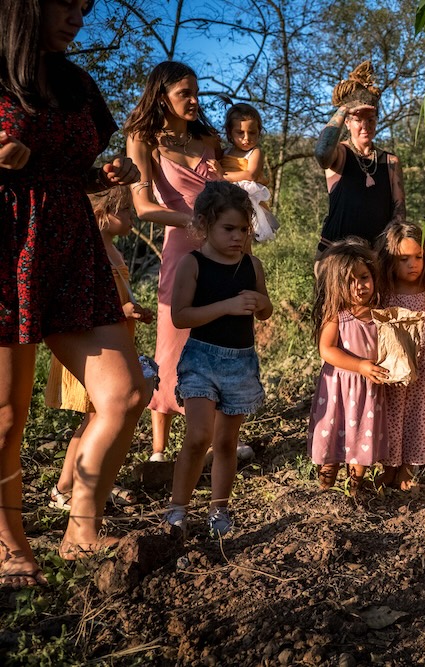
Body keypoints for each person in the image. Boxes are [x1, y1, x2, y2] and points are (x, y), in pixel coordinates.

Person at [1, 0, 147, 584]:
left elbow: (67, 165)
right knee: (8, 416)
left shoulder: (74, 82)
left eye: (85, 8)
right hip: (6, 244)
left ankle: (80, 532)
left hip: (68, 244)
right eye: (65, 4)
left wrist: (102, 177)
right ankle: (8, 539)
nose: (78, 17)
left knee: (126, 394)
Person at [124, 61, 231, 463]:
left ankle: (217, 437)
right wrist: (192, 220)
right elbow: (143, 206)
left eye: (195, 92)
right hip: (180, 246)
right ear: (161, 95)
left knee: (218, 339)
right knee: (172, 340)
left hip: (222, 250)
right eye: (184, 92)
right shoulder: (143, 139)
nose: (194, 99)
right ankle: (158, 450)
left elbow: (240, 180)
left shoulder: (208, 138)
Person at [162, 182, 272, 537]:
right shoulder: (192, 265)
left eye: (243, 229)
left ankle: (218, 512)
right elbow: (181, 316)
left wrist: (259, 303)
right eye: (229, 228)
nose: (238, 236)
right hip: (201, 360)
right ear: (206, 225)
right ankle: (177, 508)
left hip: (240, 363)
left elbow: (266, 309)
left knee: (226, 443)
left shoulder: (251, 265)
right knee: (197, 435)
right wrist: (226, 306)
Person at [46, 186, 155, 512]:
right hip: (93, 353)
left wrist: (133, 308)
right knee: (93, 419)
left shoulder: (112, 251)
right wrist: (123, 311)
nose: (132, 218)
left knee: (99, 417)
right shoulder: (91, 253)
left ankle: (90, 482)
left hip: (113, 347)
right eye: (125, 212)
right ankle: (64, 488)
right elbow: (90, 303)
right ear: (101, 215)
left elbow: (118, 298)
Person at [308, 239, 389, 493]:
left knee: (362, 436)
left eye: (364, 277)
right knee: (332, 434)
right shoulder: (337, 314)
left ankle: (355, 489)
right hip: (337, 389)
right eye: (350, 282)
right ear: (336, 285)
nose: (359, 287)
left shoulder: (379, 313)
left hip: (367, 390)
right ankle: (326, 487)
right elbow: (327, 349)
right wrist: (360, 365)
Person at [374, 222, 425, 490]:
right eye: (404, 259)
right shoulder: (383, 294)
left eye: (418, 257)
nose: (412, 264)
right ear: (390, 259)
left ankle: (407, 469)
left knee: (418, 416)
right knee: (391, 416)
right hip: (392, 366)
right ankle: (388, 467)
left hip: (423, 365)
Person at [313, 61, 405, 256]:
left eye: (370, 119)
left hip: (375, 256)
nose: (365, 126)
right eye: (358, 119)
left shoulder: (390, 162)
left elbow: (399, 212)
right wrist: (345, 107)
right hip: (336, 253)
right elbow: (321, 153)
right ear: (346, 122)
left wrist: (384, 248)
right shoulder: (339, 153)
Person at [221, 103, 279, 243]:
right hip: (226, 198)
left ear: (259, 132)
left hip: (247, 199)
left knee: (245, 233)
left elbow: (250, 175)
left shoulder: (255, 153)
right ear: (230, 133)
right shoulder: (224, 152)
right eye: (240, 133)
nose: (246, 138)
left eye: (252, 132)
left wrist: (221, 176)